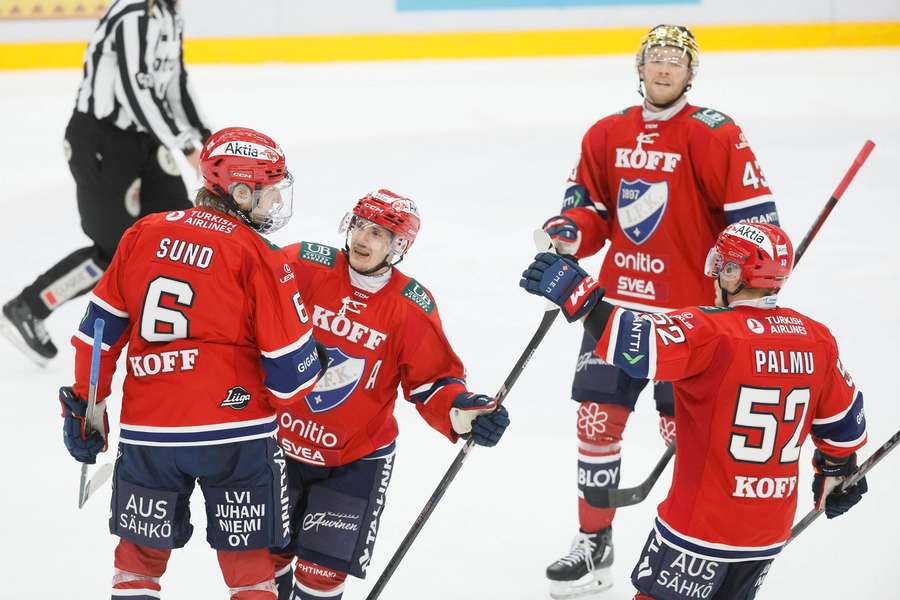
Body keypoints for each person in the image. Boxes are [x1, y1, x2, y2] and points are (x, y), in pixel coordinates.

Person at [537, 23, 780, 597]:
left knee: (687, 432)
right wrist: (571, 233)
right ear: (639, 67)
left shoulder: (716, 134)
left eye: (676, 61)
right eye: (656, 59)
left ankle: (692, 538)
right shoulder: (606, 133)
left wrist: (750, 274)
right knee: (597, 422)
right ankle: (593, 544)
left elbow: (756, 220)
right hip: (616, 306)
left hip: (692, 318)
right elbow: (591, 211)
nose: (665, 69)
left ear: (691, 72)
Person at [520, 222, 868, 600]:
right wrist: (836, 473)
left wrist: (577, 293)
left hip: (699, 530)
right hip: (766, 533)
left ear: (737, 273)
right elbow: (843, 430)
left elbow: (635, 347)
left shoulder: (710, 330)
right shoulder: (815, 337)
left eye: (724, 265)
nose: (716, 274)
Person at [59, 127, 326, 600]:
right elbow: (289, 379)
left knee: (137, 562)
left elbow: (96, 336)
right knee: (250, 565)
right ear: (240, 191)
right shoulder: (259, 255)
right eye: (267, 193)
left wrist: (86, 411)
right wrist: (314, 359)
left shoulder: (144, 233)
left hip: (150, 434)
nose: (274, 205)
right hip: (235, 435)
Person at [271, 189, 511, 600]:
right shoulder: (301, 264)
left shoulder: (409, 306)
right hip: (276, 448)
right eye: (360, 226)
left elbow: (432, 382)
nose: (364, 239)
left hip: (355, 459)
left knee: (320, 578)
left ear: (399, 246)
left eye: (379, 234)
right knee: (261, 568)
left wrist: (462, 412)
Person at [2, 0, 211, 366]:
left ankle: (180, 326)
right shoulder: (133, 13)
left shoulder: (168, 14)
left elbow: (175, 81)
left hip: (145, 140)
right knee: (115, 248)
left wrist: (208, 139)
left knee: (184, 229)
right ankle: (30, 307)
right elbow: (137, 91)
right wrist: (188, 145)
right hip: (99, 142)